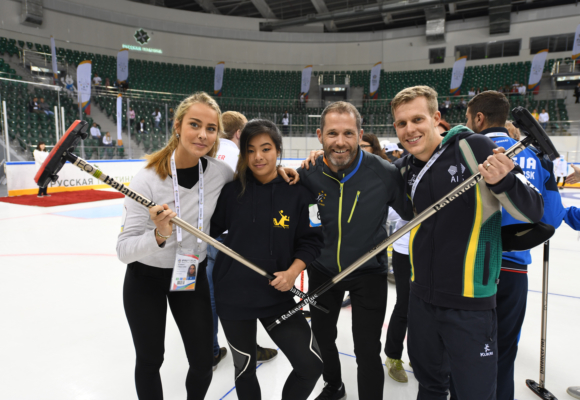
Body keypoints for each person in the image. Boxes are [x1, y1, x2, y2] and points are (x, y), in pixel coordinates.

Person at [391, 86, 543, 400]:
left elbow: (533, 210)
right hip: (421, 300)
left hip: (470, 304)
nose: (409, 129)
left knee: (474, 394)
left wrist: (504, 181)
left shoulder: (474, 146)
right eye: (401, 123)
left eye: (417, 119)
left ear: (436, 118)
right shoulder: (405, 167)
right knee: (429, 386)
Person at [117, 92, 233, 400]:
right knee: (150, 359)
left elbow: (256, 182)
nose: (203, 134)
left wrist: (287, 172)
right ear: (178, 126)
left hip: (190, 275)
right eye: (195, 124)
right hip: (146, 279)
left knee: (203, 362)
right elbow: (123, 250)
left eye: (211, 128)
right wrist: (158, 235)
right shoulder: (147, 180)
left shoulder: (219, 173)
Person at [300, 101, 413, 400]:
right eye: (332, 133)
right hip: (322, 271)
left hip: (369, 274)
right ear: (320, 135)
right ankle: (334, 386)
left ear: (360, 135)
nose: (340, 141)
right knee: (322, 337)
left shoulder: (384, 173)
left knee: (366, 349)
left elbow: (413, 211)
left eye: (348, 133)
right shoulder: (308, 174)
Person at [210, 119, 324, 400]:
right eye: (250, 150)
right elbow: (207, 230)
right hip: (233, 297)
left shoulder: (302, 194)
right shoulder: (230, 192)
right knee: (245, 370)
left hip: (277, 295)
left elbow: (313, 241)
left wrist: (292, 272)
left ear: (278, 150)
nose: (258, 157)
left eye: (265, 148)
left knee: (311, 366)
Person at [462, 90, 565, 400]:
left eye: (468, 117)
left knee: (465, 351)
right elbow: (552, 218)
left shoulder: (465, 150)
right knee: (505, 350)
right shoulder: (535, 155)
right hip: (516, 267)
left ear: (479, 118)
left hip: (474, 266)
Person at [206, 110, 279, 371]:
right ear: (239, 133)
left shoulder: (207, 154)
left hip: (207, 236)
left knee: (211, 297)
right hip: (235, 240)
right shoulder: (239, 157)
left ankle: (211, 351)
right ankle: (249, 347)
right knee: (245, 295)